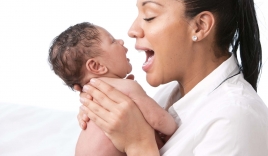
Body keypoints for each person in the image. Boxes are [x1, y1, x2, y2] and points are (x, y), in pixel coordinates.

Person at [77, 0, 268, 156]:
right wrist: (101, 123)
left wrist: (138, 144)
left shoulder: (235, 118)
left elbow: (140, 142)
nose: (132, 30)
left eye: (149, 16)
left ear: (200, 26)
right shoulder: (168, 96)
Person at [48, 22, 177, 156]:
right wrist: (173, 127)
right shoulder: (128, 87)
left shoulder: (88, 98)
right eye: (113, 41)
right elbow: (159, 120)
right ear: (97, 66)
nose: (121, 42)